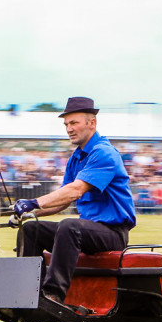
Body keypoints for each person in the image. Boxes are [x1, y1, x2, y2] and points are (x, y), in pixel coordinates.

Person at [11, 96, 136, 304]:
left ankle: (52, 296)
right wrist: (27, 214)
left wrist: (34, 202)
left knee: (70, 226)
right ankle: (26, 293)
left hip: (112, 233)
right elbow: (62, 201)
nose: (69, 129)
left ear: (92, 123)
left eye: (74, 123)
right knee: (30, 230)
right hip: (88, 231)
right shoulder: (76, 158)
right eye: (66, 124)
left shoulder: (104, 153)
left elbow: (75, 191)